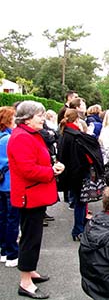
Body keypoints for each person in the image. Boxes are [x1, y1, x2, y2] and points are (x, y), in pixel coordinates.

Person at [8, 101, 65, 299]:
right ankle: (25, 282)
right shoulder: (22, 137)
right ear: (27, 118)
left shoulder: (29, 134)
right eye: (39, 115)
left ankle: (30, 271)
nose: (43, 118)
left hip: (34, 194)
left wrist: (51, 166)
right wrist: (51, 170)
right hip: (30, 195)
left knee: (33, 236)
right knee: (30, 239)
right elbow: (27, 169)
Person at [57, 109, 104, 241]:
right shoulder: (76, 136)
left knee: (81, 202)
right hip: (79, 173)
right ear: (77, 120)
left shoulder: (64, 134)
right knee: (81, 202)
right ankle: (78, 229)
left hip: (71, 173)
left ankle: (80, 228)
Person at [0, 106, 20, 268]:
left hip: (3, 185)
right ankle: (12, 253)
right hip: (10, 184)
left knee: (3, 218)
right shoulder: (9, 139)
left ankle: (4, 250)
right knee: (12, 220)